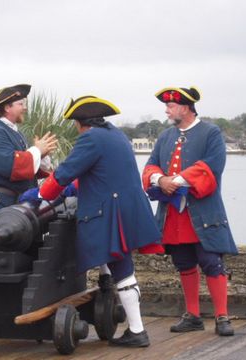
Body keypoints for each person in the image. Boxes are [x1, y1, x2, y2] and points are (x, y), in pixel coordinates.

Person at [21, 96, 162, 347]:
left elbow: (65, 173)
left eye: (75, 123)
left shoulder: (90, 138)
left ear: (81, 123)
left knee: (122, 267)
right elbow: (97, 173)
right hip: (128, 207)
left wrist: (41, 196)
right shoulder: (115, 135)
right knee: (121, 266)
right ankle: (128, 316)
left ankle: (138, 331)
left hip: (112, 211)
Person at [142, 86, 238, 336]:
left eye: (170, 106)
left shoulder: (211, 133)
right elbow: (150, 165)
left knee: (212, 262)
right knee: (183, 261)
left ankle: (222, 317)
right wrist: (160, 180)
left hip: (203, 212)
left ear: (185, 107)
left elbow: (212, 167)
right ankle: (193, 316)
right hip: (173, 214)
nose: (166, 110)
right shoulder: (165, 136)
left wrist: (178, 180)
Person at [0, 84, 58, 238]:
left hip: (14, 202)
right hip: (0, 203)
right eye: (21, 104)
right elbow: (10, 165)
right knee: (0, 255)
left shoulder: (13, 132)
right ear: (7, 107)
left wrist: (41, 154)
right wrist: (37, 150)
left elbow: (26, 165)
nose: (25, 108)